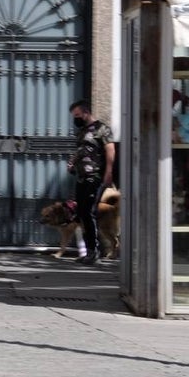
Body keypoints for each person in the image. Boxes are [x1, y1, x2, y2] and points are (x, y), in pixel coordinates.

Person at [67, 99, 116, 266]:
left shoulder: (101, 129)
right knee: (82, 213)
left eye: (78, 115)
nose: (76, 119)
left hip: (94, 177)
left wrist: (108, 173)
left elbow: (110, 150)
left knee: (89, 212)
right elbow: (81, 151)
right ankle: (89, 251)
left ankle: (95, 251)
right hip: (81, 177)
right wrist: (73, 163)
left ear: (86, 113)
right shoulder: (82, 131)